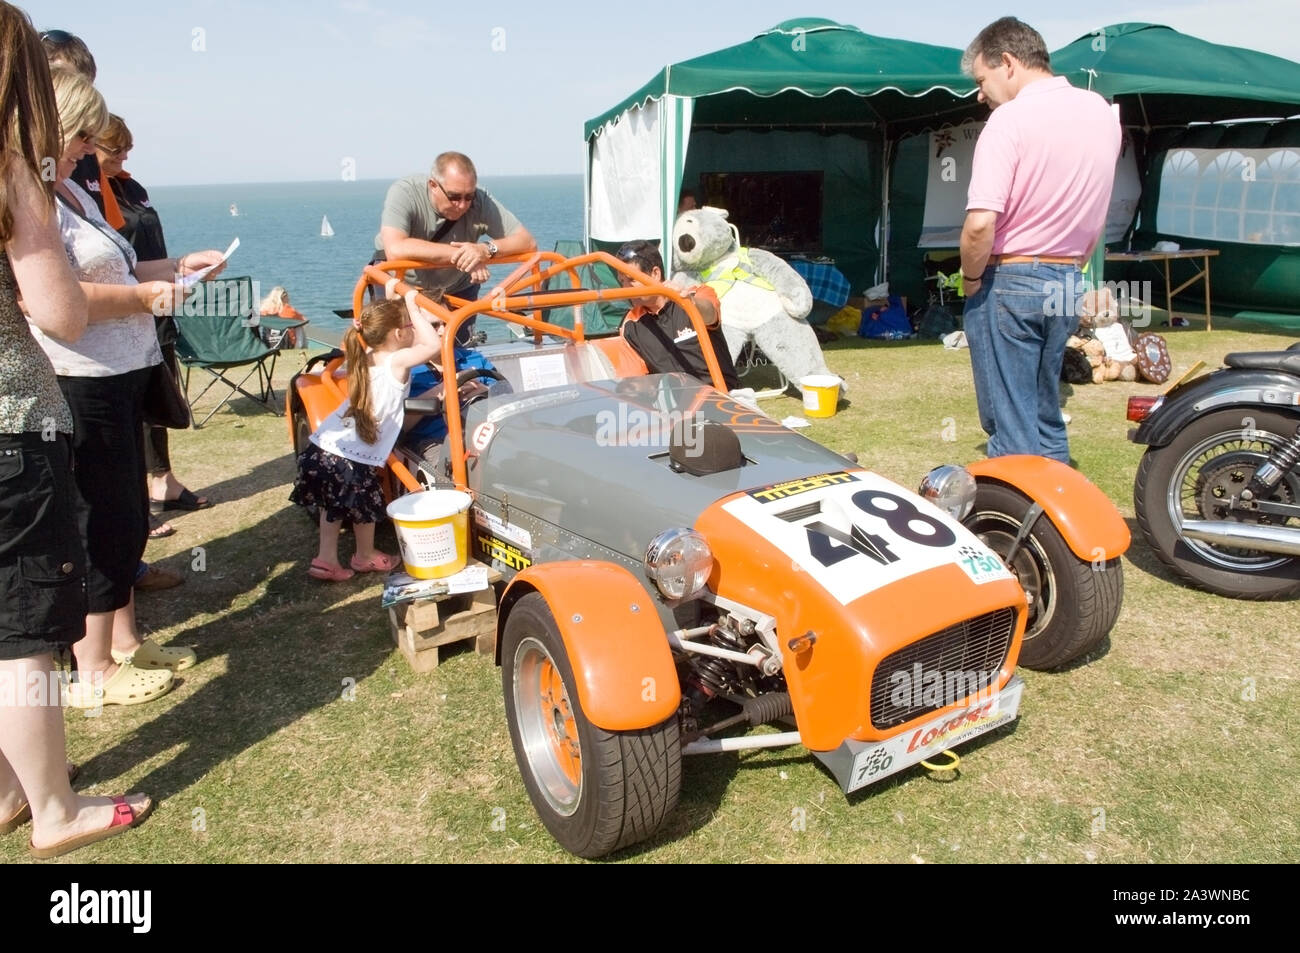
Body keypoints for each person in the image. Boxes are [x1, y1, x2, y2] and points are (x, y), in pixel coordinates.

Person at [1, 1, 152, 857]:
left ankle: (4, 792)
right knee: (22, 633)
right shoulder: (13, 168)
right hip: (12, 421)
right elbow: (58, 310)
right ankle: (54, 808)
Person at [42, 68, 227, 704]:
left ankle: (124, 641)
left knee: (125, 512)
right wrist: (143, 296)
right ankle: (93, 667)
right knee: (102, 514)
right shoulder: (38, 198)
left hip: (123, 368)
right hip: (80, 375)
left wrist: (176, 266)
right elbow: (56, 298)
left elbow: (116, 263)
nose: (91, 152)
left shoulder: (72, 192)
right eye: (84, 137)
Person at [958, 16, 1120, 463]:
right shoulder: (1101, 114)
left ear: (1007, 62)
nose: (980, 94)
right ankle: (1059, 511)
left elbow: (979, 224)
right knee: (1045, 410)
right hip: (1067, 277)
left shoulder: (1008, 120)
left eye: (982, 79)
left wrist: (970, 279)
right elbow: (1097, 213)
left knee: (1010, 421)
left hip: (1010, 278)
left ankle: (1013, 525)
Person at [93, 113, 211, 525]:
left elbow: (146, 240)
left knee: (159, 393)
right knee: (129, 409)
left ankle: (161, 478)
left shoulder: (129, 186)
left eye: (128, 149)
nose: (124, 156)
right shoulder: (86, 193)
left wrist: (179, 268)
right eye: (116, 150)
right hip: (121, 309)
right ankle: (138, 502)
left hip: (157, 303)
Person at [291, 291, 443, 581]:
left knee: (332, 504)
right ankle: (365, 556)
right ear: (399, 333)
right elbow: (433, 344)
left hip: (322, 448)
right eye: (411, 325)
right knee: (365, 509)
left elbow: (388, 327)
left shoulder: (368, 354)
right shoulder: (397, 361)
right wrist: (412, 303)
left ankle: (326, 559)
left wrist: (393, 301)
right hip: (349, 459)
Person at [375, 151, 535, 341]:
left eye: (469, 197)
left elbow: (527, 242)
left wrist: (485, 250)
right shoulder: (405, 192)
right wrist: (465, 255)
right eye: (454, 197)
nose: (462, 205)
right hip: (402, 287)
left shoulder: (480, 201)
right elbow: (395, 249)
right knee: (398, 352)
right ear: (433, 185)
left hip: (455, 289)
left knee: (457, 351)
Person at [614, 240, 740, 390]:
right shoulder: (630, 325)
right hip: (683, 408)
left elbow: (710, 314)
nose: (625, 289)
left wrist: (689, 301)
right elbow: (635, 381)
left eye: (632, 280)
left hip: (726, 396)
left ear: (655, 274)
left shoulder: (695, 296)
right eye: (622, 281)